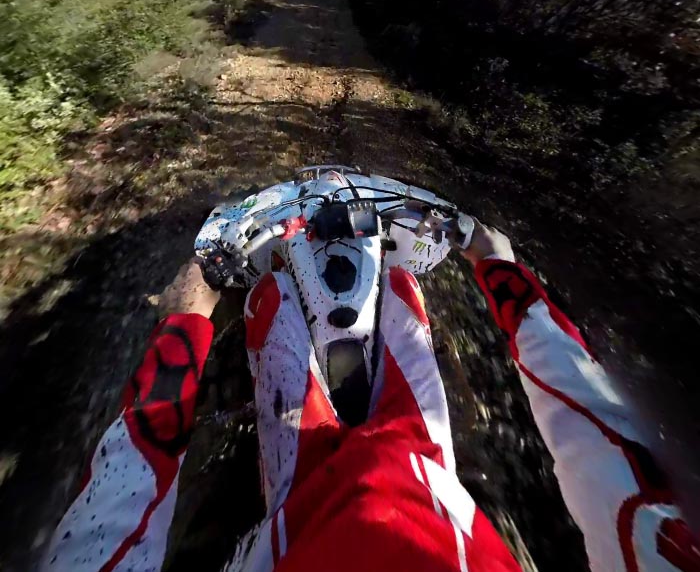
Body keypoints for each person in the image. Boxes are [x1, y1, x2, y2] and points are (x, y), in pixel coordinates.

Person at [41, 221, 699, 572]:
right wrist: (499, 265)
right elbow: (607, 442)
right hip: (424, 472)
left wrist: (187, 320)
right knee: (402, 291)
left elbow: (109, 525)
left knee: (271, 299)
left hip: (306, 500)